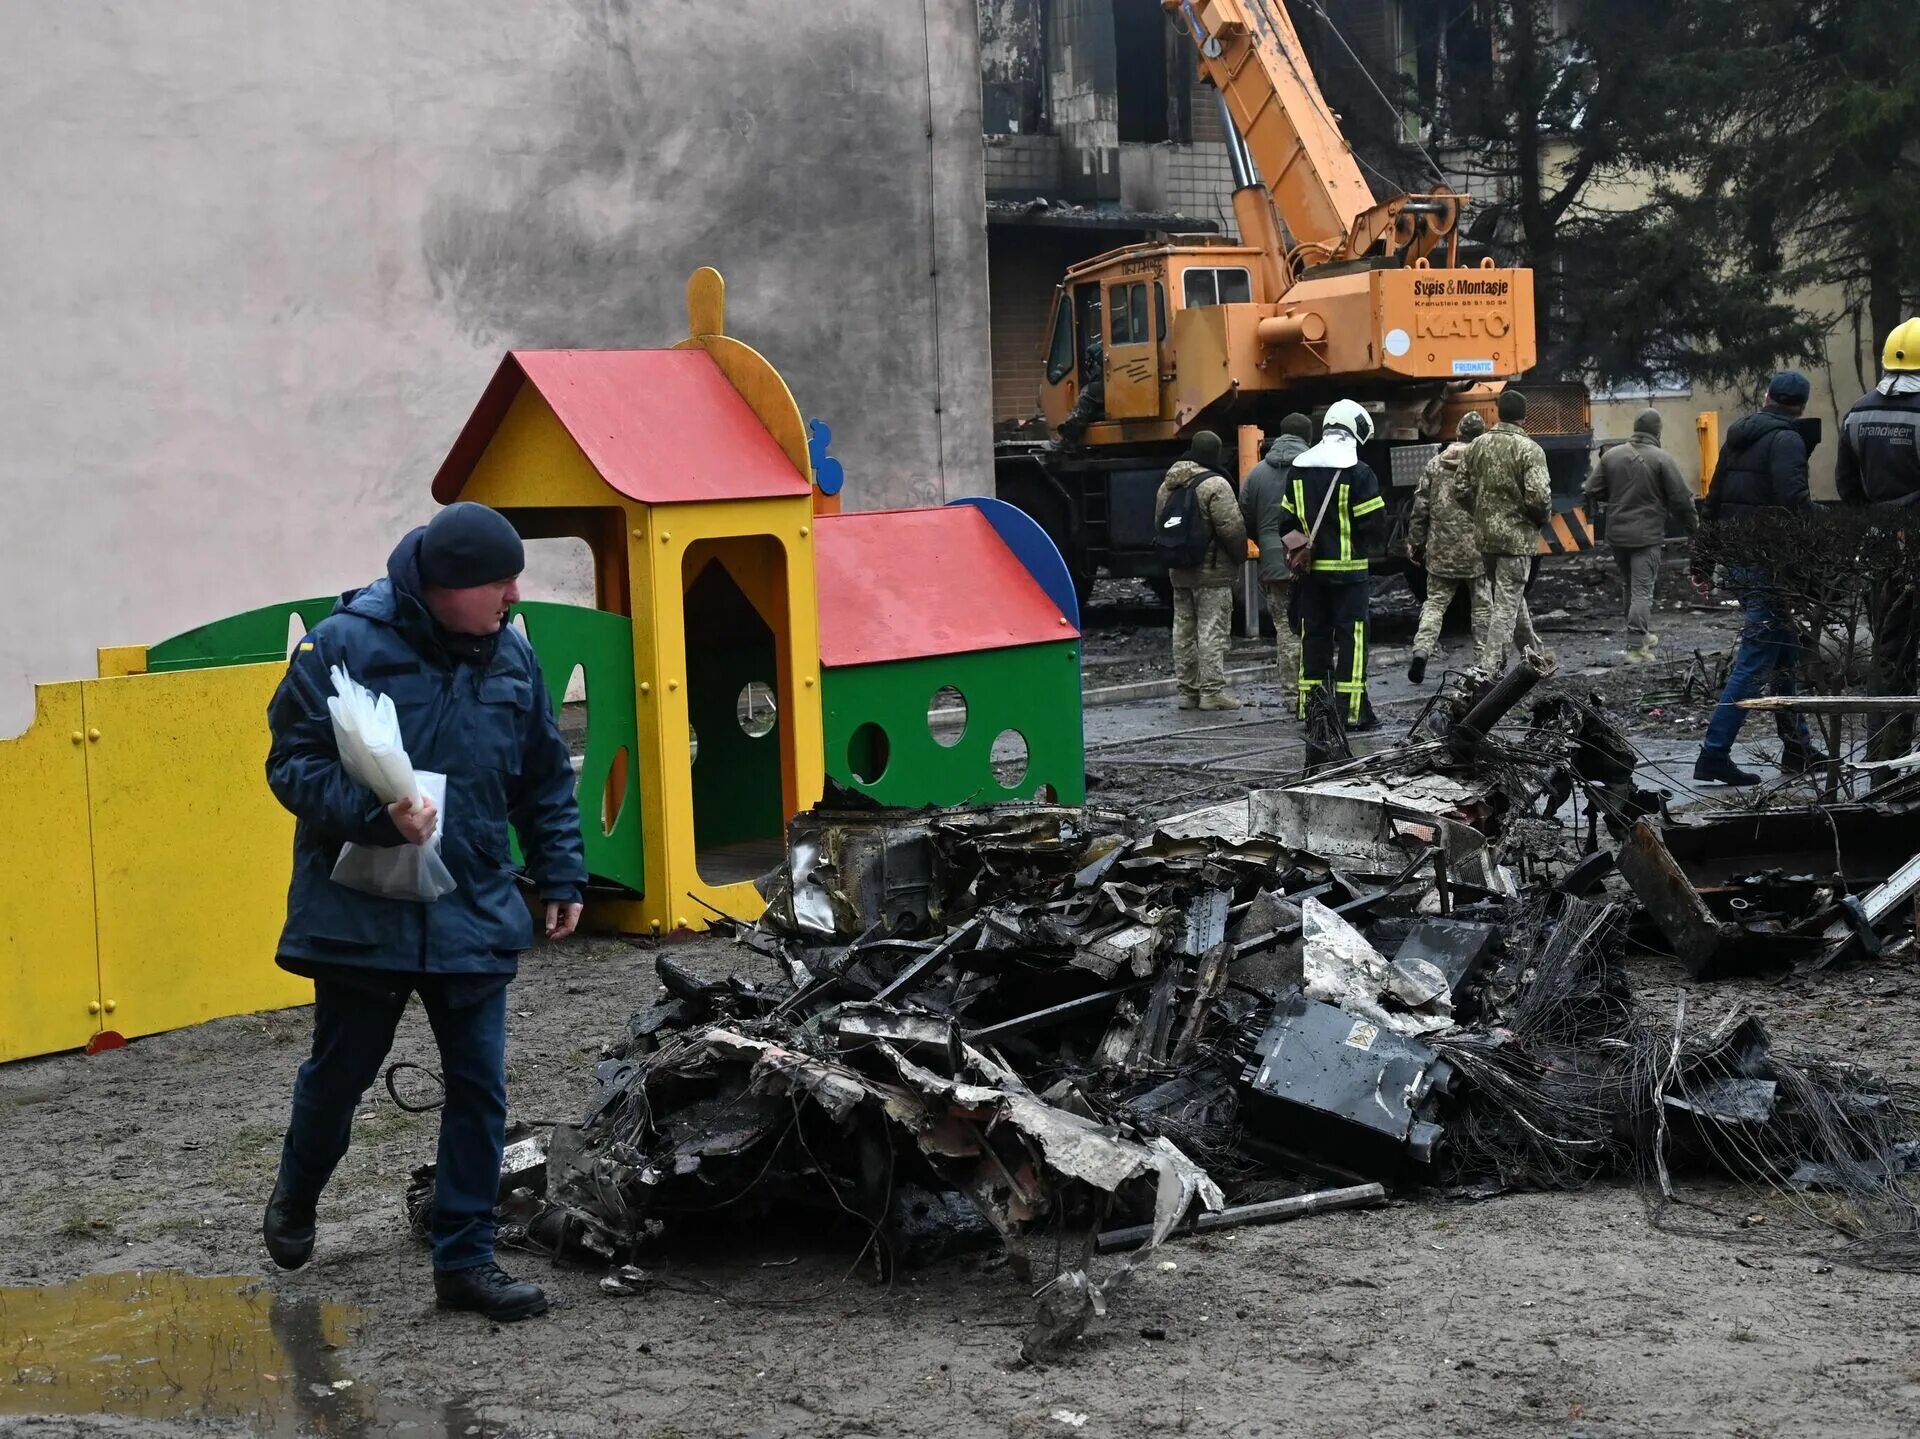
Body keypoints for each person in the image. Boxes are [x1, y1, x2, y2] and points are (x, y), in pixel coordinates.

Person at [263, 502, 587, 1320]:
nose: (514, 595)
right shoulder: (343, 644)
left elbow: (544, 774)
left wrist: (560, 873)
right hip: (361, 912)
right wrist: (378, 813)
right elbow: (289, 764)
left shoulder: (513, 654)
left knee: (480, 1088)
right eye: (498, 582)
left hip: (472, 901)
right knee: (340, 1078)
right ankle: (297, 1195)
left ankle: (466, 1262)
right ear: (445, 586)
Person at [1693, 371, 1824, 785]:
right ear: (1801, 405)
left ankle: (1797, 747)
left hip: (1738, 559)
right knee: (1753, 664)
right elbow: (1794, 502)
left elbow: (1714, 500)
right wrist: (1831, 528)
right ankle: (1714, 753)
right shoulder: (1787, 441)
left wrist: (1702, 561)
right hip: (1767, 564)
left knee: (1784, 651)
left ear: (1767, 396)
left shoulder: (1738, 437)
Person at [1836, 316, 1920, 763]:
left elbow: (1847, 487)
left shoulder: (1858, 412)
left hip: (1879, 547)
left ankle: (1884, 763)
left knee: (1889, 657)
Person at [1276, 399, 1386, 727]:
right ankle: (1352, 711)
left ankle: (1313, 710)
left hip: (1310, 575)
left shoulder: (1299, 468)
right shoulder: (1359, 472)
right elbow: (1374, 526)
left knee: (1314, 638)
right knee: (1352, 639)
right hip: (1349, 575)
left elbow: (1285, 522)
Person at [1584, 409, 1699, 663]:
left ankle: (1640, 634)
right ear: (1657, 432)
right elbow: (1681, 500)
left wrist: (1615, 497)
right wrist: (1694, 530)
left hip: (1617, 535)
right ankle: (1636, 647)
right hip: (1646, 537)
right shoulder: (1662, 459)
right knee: (1643, 591)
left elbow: (1591, 489)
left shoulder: (1612, 456)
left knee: (1630, 586)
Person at [1460, 389, 1553, 676]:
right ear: (1524, 416)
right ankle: (1489, 670)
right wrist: (1539, 519)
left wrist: (1479, 513)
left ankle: (1536, 655)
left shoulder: (1477, 445)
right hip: (1516, 539)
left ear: (1498, 412)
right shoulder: (1529, 449)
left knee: (1509, 595)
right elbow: (1539, 497)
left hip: (1486, 539)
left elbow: (1459, 488)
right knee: (1505, 605)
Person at [1155, 430, 1248, 710]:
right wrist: (1240, 555)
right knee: (1211, 630)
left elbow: (1160, 524)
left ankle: (1187, 692)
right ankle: (1211, 693)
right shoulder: (1215, 485)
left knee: (1183, 631)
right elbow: (1230, 528)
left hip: (1180, 569)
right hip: (1212, 571)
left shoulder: (1168, 485)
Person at [1405, 411, 1487, 684]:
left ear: (1458, 435)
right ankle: (1482, 665)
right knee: (1482, 608)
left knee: (1435, 604)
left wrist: (1416, 542)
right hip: (1478, 552)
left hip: (1441, 550)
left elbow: (1420, 508)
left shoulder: (1435, 465)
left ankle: (1422, 651)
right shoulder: (1484, 465)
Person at [1240, 412, 1314, 683]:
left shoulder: (1257, 473)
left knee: (1285, 629)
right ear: (1308, 436)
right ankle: (1310, 693)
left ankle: (1290, 693)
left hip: (1273, 560)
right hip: (1309, 559)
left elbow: (1245, 515)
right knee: (1312, 628)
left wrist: (1265, 542)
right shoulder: (1314, 468)